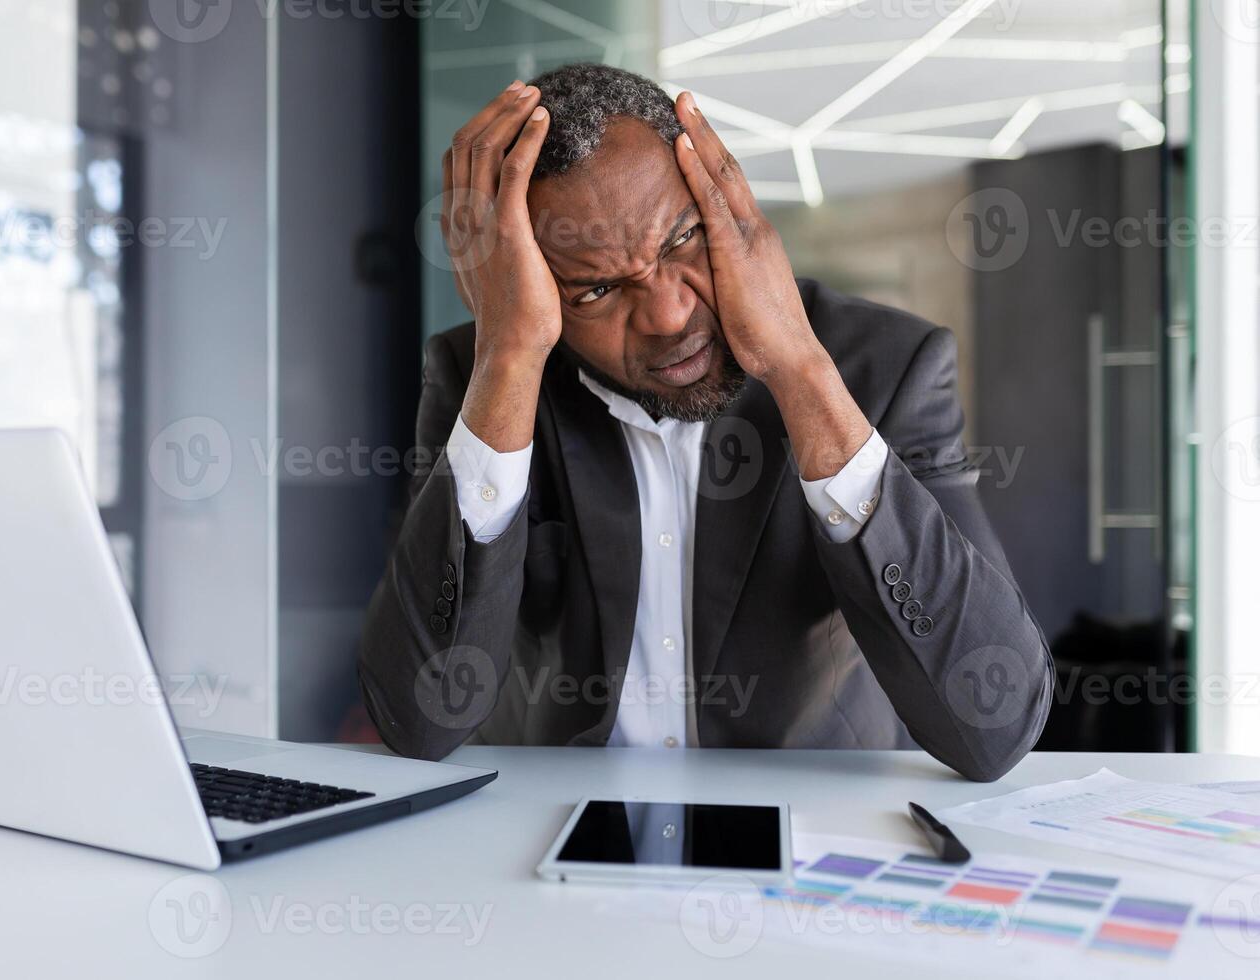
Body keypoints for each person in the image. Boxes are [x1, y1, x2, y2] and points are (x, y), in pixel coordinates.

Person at [358, 63, 1051, 781]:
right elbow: (420, 720)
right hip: (562, 838)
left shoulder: (887, 365)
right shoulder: (487, 377)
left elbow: (992, 730)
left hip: (811, 832)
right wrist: (506, 360)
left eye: (682, 240)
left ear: (729, 203)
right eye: (595, 288)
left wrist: (800, 371)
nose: (667, 314)